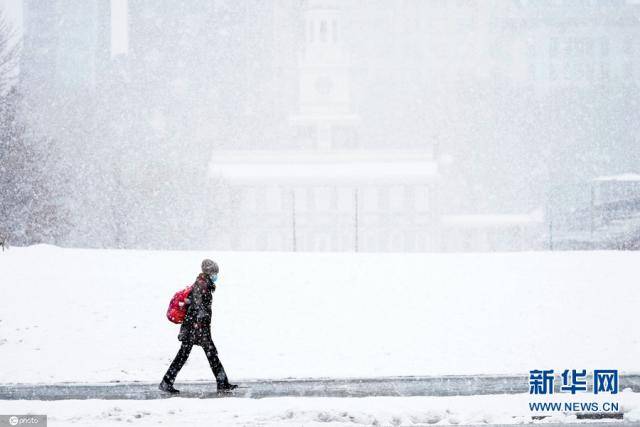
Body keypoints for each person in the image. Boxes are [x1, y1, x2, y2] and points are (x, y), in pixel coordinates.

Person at [159, 259, 237, 393]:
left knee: (189, 355)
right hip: (196, 328)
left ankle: (167, 381)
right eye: (215, 273)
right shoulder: (202, 285)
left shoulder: (203, 284)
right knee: (207, 354)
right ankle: (222, 383)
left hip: (196, 327)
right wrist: (200, 323)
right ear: (209, 272)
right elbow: (198, 307)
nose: (216, 275)